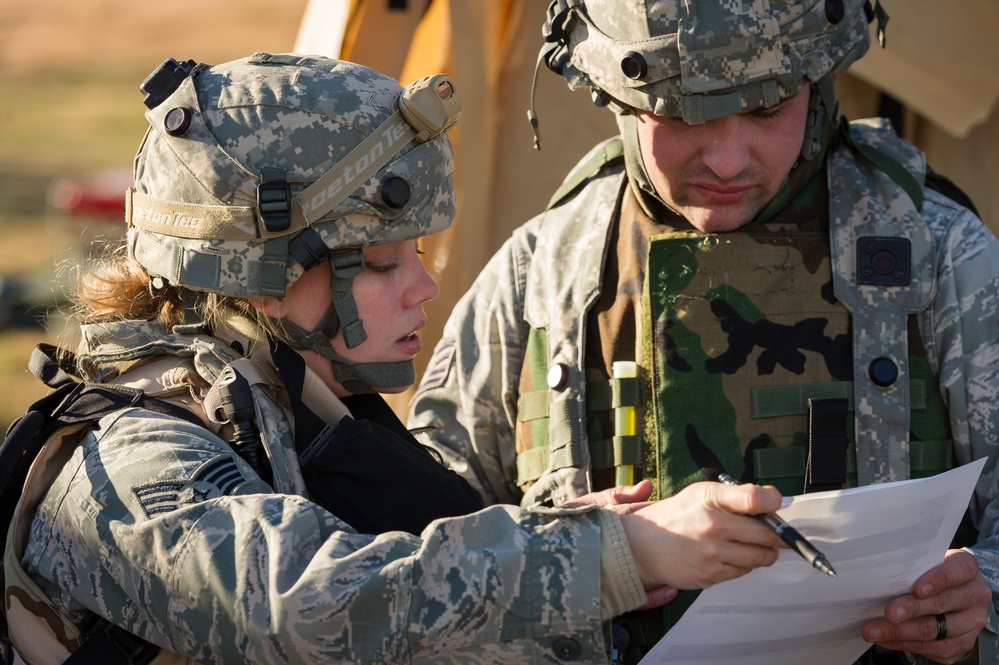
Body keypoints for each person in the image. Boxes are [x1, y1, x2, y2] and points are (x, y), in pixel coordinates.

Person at [0, 52, 795, 665]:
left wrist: (553, 539)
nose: (423, 284)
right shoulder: (131, 459)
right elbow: (311, 600)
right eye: (381, 262)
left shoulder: (289, 412)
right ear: (264, 281)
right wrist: (611, 555)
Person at [408, 1, 999, 664]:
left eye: (766, 108)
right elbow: (422, 540)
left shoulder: (936, 253)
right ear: (618, 97)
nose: (724, 158)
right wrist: (570, 557)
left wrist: (981, 602)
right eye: (681, 112)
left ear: (816, 81)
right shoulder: (544, 271)